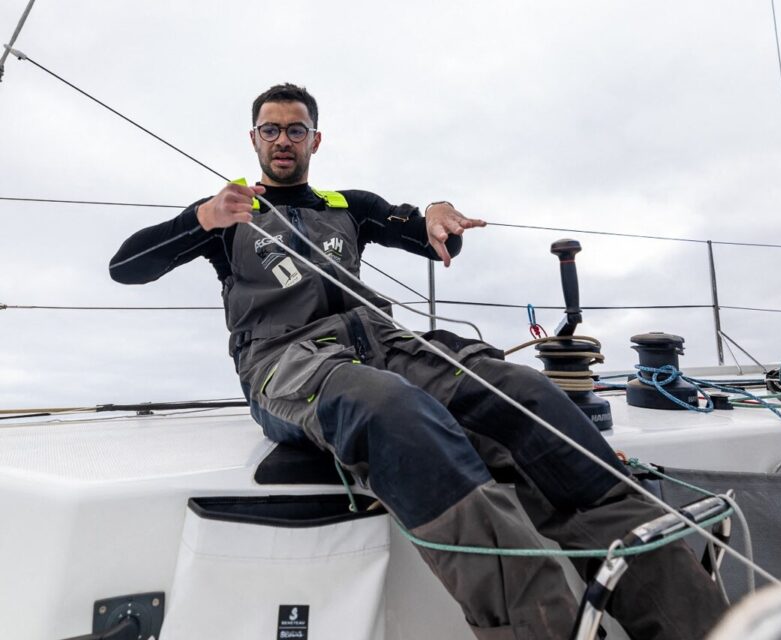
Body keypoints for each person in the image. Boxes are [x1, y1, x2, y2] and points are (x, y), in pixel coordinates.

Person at [109, 83, 726, 639]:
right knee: (395, 412)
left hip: (386, 343)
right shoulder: (227, 215)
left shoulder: (348, 205)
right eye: (270, 129)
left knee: (527, 396)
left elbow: (428, 234)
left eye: (296, 129)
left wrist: (437, 218)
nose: (283, 140)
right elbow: (125, 268)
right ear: (253, 138)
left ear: (315, 139)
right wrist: (201, 217)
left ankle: (684, 617)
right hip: (287, 362)